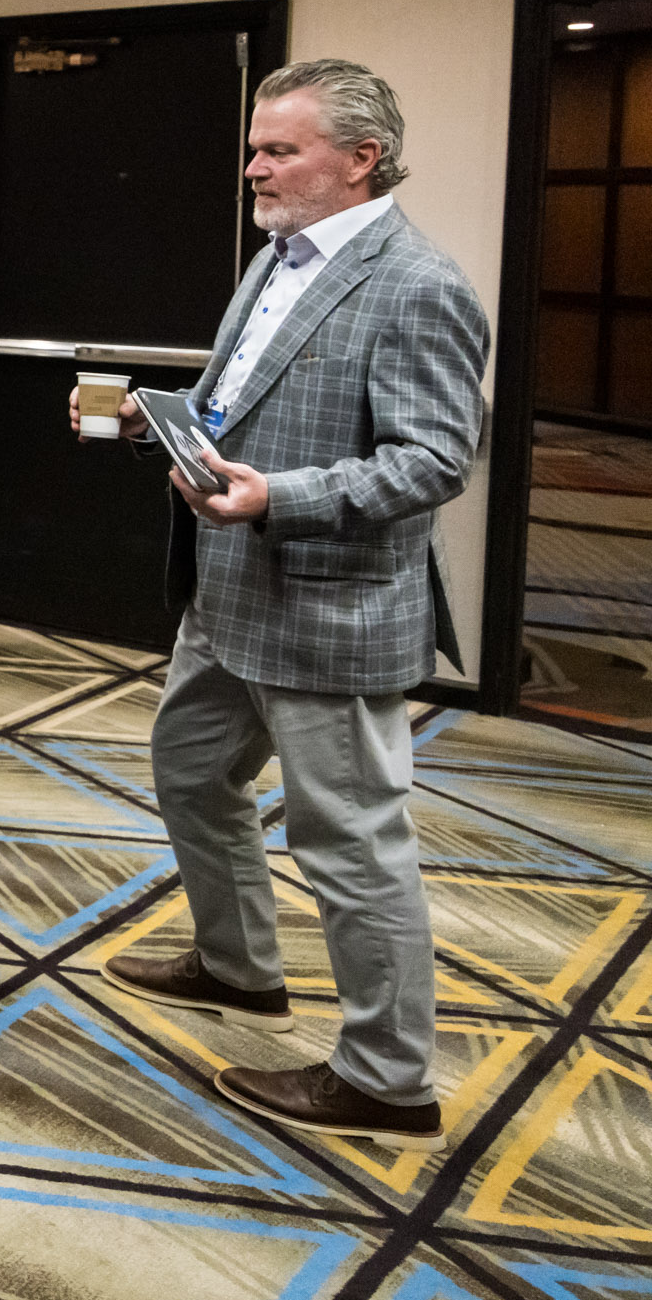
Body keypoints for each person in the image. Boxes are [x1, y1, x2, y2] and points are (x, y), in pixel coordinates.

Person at [86, 60, 486, 1152]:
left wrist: (279, 499)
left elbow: (434, 462)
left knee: (352, 845)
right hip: (229, 596)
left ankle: (387, 1078)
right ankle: (239, 965)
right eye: (255, 149)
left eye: (281, 150)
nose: (255, 168)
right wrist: (171, 425)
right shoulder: (277, 259)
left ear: (361, 159)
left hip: (330, 608)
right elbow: (251, 401)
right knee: (190, 771)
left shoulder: (418, 283)